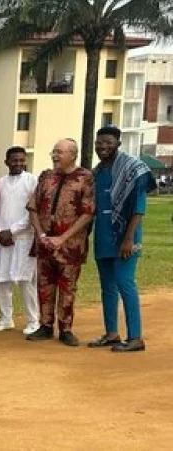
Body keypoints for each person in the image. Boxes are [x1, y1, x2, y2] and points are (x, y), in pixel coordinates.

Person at [26, 139, 95, 347]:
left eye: (59, 152)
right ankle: (45, 326)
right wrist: (41, 235)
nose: (54, 156)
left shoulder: (85, 178)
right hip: (45, 244)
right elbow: (32, 207)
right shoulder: (47, 177)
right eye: (53, 152)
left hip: (70, 246)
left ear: (72, 154)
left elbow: (87, 213)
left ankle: (66, 329)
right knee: (44, 286)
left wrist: (62, 238)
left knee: (67, 288)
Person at [90, 126, 153, 352]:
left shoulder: (133, 169)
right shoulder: (97, 172)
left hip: (125, 238)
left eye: (107, 142)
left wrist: (128, 239)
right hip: (103, 237)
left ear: (118, 143)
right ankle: (112, 333)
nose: (102, 147)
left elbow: (139, 207)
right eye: (99, 143)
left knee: (125, 283)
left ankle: (135, 337)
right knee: (107, 287)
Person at [0, 147, 40, 335]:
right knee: (2, 279)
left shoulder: (32, 181)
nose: (18, 163)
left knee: (26, 281)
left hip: (24, 238)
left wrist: (12, 231)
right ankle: (5, 318)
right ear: (6, 162)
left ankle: (34, 320)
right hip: (3, 239)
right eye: (14, 160)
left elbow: (33, 211)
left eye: (21, 160)